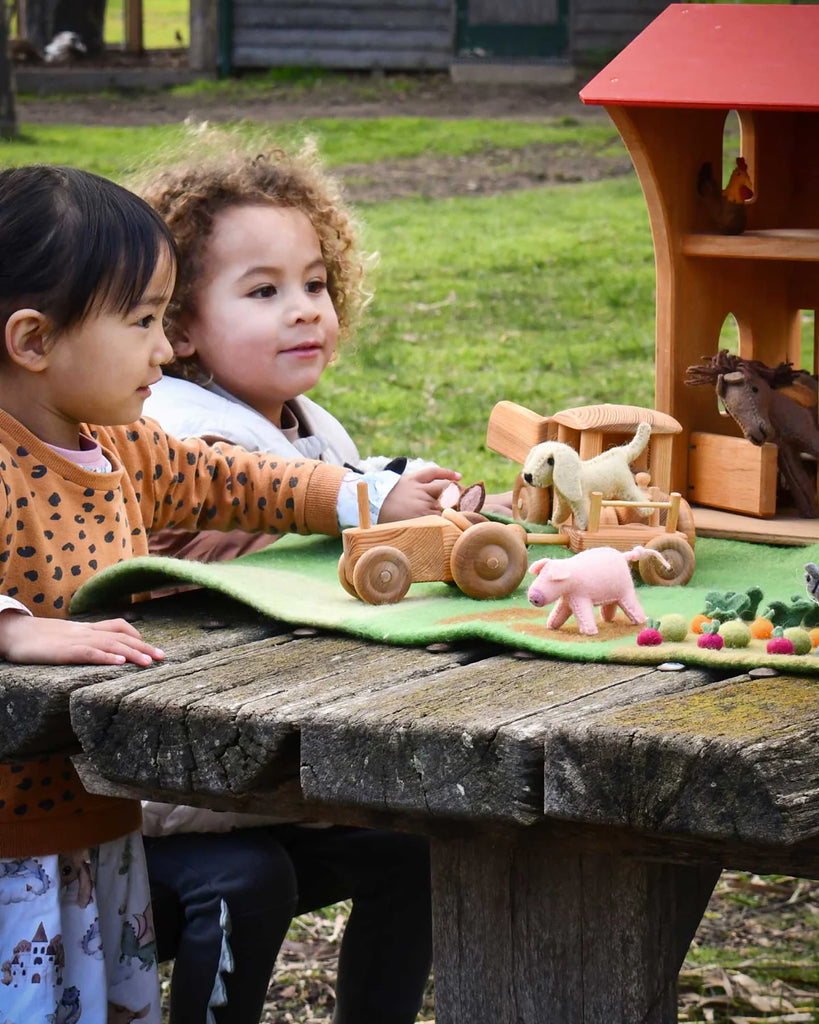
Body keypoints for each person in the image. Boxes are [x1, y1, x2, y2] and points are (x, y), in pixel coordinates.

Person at [0, 163, 404, 1024]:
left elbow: (234, 482)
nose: (164, 347)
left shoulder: (117, 442)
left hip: (89, 824)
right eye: (142, 320)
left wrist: (366, 496)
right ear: (33, 341)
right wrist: (11, 628)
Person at [135, 140, 484, 1024]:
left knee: (416, 849)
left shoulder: (299, 418)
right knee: (249, 880)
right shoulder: (178, 431)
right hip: (180, 778)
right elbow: (283, 517)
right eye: (263, 292)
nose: (304, 312)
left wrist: (414, 489)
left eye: (315, 284)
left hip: (272, 754)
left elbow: (340, 481)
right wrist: (389, 517)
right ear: (177, 326)